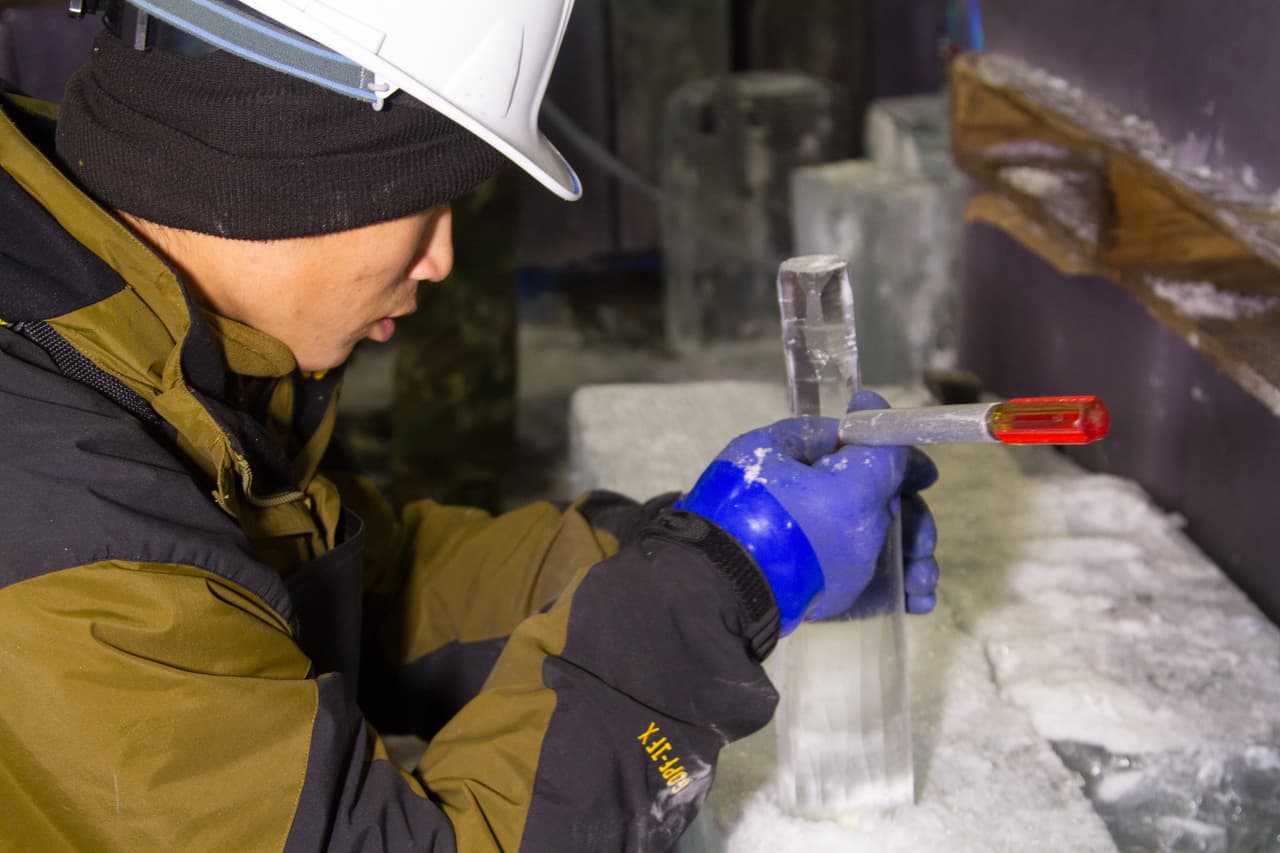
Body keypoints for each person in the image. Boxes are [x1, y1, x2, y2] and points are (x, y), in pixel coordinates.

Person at [0, 1, 941, 849]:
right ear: (289, 164)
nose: (443, 257)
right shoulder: (72, 547)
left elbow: (370, 596)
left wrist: (691, 549)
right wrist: (725, 577)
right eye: (422, 192)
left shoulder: (140, 349)